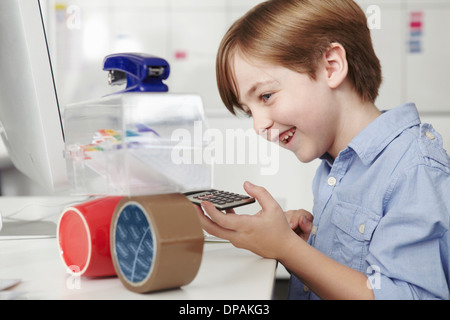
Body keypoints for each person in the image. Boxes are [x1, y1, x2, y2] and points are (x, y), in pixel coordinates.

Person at [195, 0, 450, 300]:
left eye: (266, 96)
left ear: (331, 66)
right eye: (249, 111)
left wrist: (287, 250)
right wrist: (308, 244)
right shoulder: (333, 167)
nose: (258, 125)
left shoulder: (412, 169)